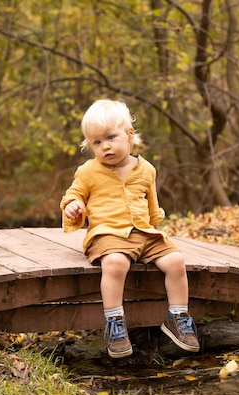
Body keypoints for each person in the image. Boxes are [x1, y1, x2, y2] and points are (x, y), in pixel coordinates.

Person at [60, 99, 199, 358]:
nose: (105, 146)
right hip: (108, 233)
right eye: (97, 143)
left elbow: (153, 207)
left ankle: (177, 317)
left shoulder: (146, 170)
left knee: (176, 261)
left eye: (111, 137)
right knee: (116, 263)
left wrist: (158, 237)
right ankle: (115, 324)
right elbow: (74, 193)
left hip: (144, 233)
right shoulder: (89, 170)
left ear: (130, 134)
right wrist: (73, 205)